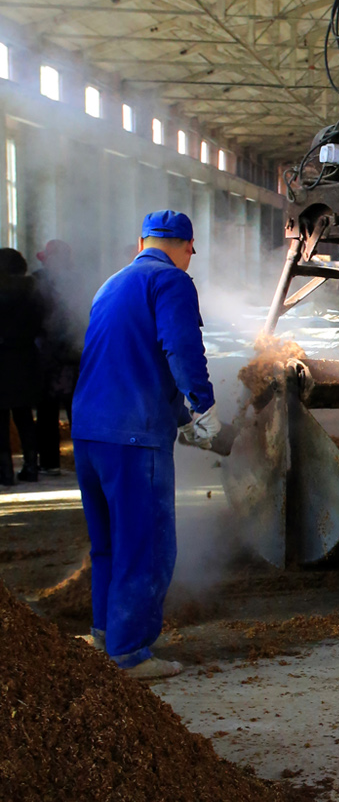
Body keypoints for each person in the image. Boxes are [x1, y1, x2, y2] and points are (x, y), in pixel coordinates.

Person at [71, 210, 220, 679]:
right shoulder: (172, 282)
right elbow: (179, 347)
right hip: (133, 438)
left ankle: (105, 635)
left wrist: (177, 420)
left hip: (89, 432)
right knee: (146, 544)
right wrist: (204, 409)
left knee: (108, 544)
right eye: (190, 252)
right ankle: (131, 652)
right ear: (186, 247)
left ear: (141, 241)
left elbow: (130, 361)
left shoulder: (109, 285)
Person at [33, 238, 85, 475]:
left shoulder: (36, 281)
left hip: (46, 354)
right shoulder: (79, 281)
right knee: (78, 409)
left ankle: (49, 462)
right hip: (74, 352)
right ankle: (84, 460)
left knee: (46, 411)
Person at [0, 247, 45, 485]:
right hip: (26, 359)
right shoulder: (34, 290)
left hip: (2, 360)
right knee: (25, 417)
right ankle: (31, 467)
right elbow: (43, 323)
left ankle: (5, 471)